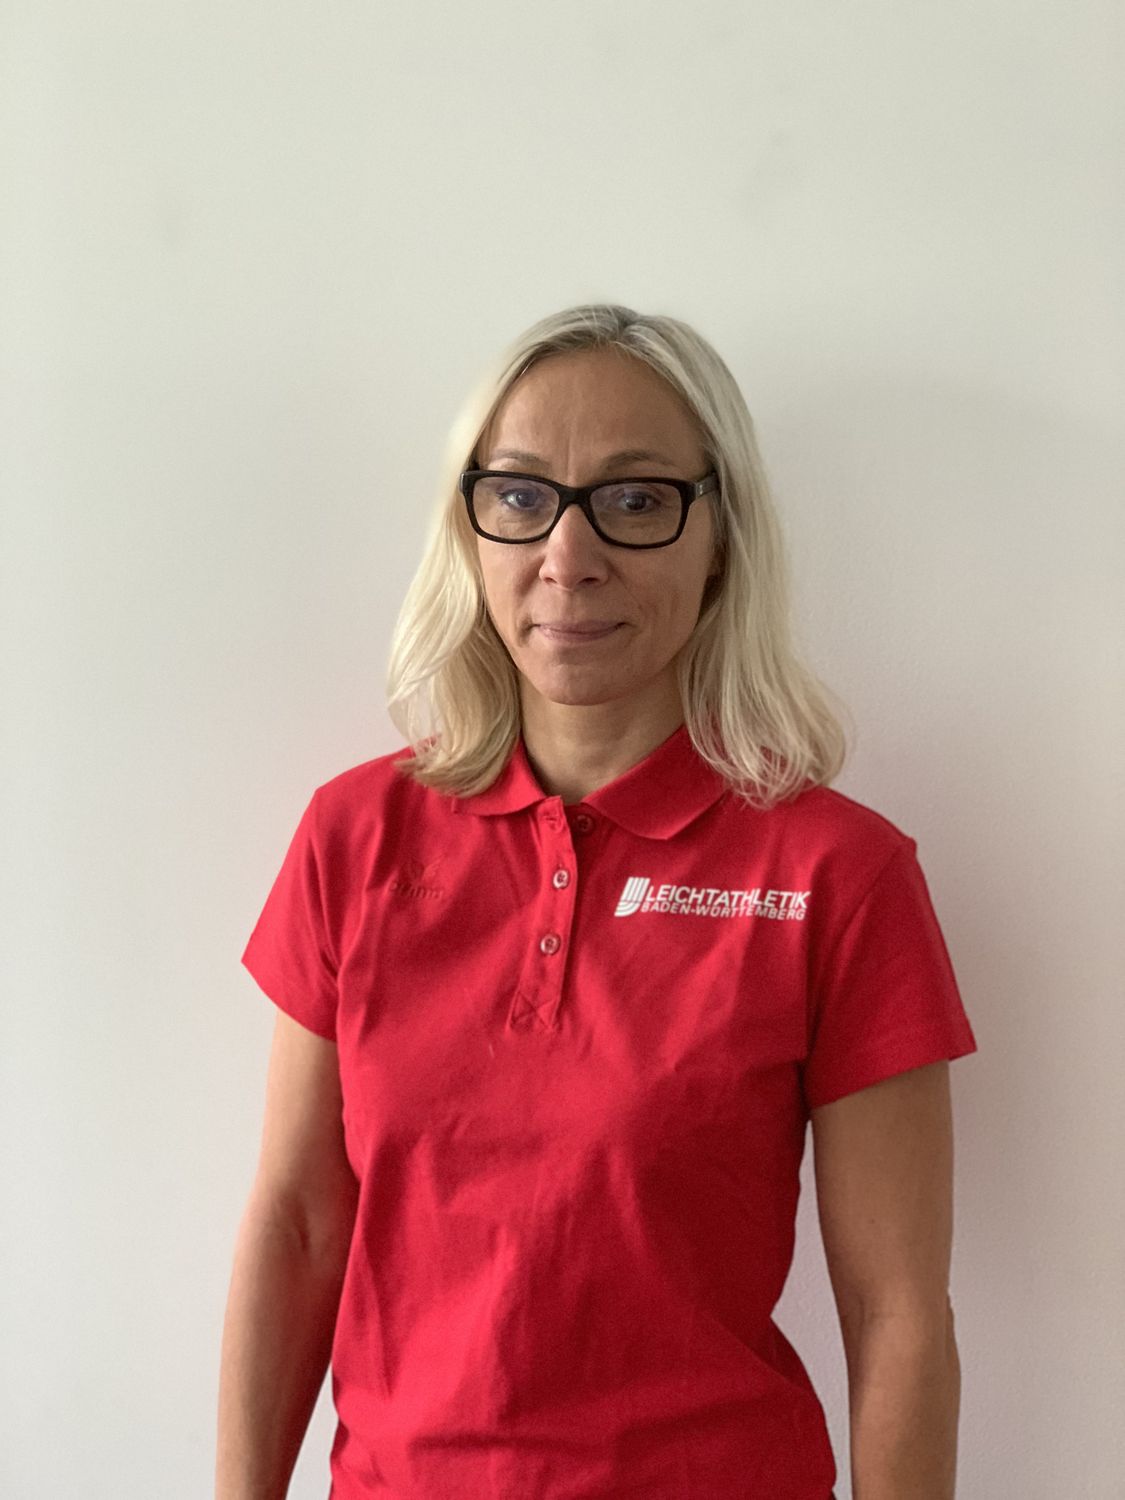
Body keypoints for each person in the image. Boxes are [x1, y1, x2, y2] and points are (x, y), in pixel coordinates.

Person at [216, 302, 978, 1500]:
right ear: (470, 527)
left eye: (634, 499)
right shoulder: (353, 839)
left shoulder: (839, 875)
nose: (568, 558)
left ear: (719, 535)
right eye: (521, 496)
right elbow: (299, 1224)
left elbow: (898, 1315)